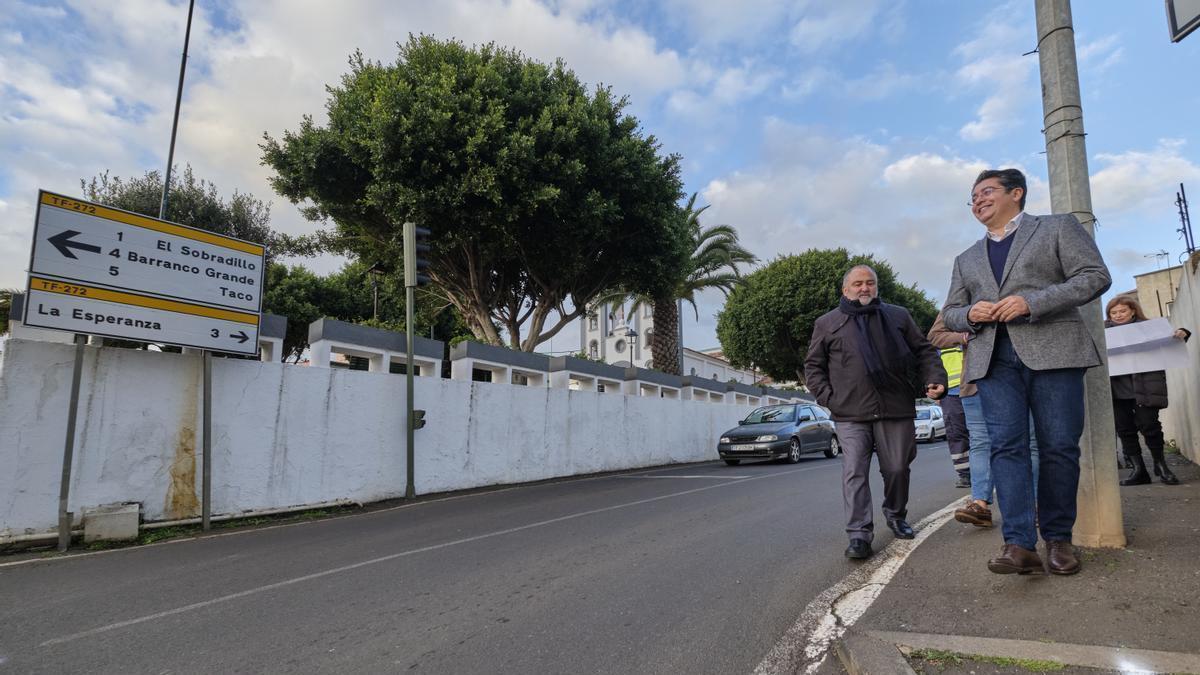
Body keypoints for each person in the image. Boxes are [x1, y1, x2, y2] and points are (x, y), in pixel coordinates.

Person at [943, 168, 1111, 576]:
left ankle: (1057, 539)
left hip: (1054, 351)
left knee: (1058, 447)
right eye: (973, 197)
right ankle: (1018, 545)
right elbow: (949, 312)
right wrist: (969, 313)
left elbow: (1094, 277)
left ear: (1016, 193)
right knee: (1006, 448)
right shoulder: (966, 258)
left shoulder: (1056, 228)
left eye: (986, 192)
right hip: (993, 360)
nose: (978, 200)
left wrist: (1031, 303)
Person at [805, 265, 947, 560]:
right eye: (857, 283)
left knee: (897, 468)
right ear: (845, 289)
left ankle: (896, 514)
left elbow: (925, 351)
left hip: (895, 408)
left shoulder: (897, 316)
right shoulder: (827, 323)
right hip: (850, 413)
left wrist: (934, 378)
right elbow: (813, 367)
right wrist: (830, 398)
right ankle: (858, 534)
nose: (864, 288)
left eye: (870, 283)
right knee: (854, 472)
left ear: (876, 287)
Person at [929, 312, 1040, 528]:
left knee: (1030, 442)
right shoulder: (960, 298)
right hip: (975, 383)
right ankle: (980, 504)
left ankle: (1035, 506)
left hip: (1022, 379)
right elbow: (935, 336)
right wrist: (963, 336)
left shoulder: (1020, 288)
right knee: (981, 443)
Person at [1105, 296, 1191, 486]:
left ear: (1133, 311)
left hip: (1145, 387)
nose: (1118, 315)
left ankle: (1161, 466)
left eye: (1122, 311)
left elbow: (1172, 339)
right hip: (1117, 389)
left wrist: (1183, 332)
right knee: (1125, 430)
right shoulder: (1102, 331)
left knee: (1150, 425)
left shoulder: (1150, 328)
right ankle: (1139, 470)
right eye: (1114, 312)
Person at [926, 318, 971, 488]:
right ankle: (964, 473)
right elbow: (933, 366)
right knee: (956, 434)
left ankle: (986, 470)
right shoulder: (941, 338)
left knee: (980, 434)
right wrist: (934, 387)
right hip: (951, 394)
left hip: (976, 389)